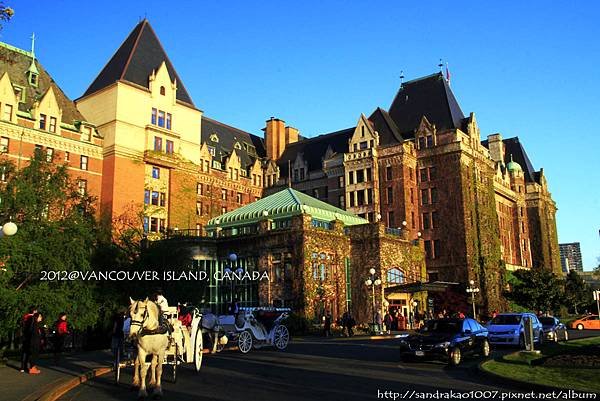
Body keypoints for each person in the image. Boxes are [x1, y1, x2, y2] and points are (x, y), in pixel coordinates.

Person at [20, 306, 37, 372]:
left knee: (24, 351)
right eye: (36, 310)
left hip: (24, 335)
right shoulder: (32, 318)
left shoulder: (25, 316)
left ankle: (22, 367)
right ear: (34, 311)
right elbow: (31, 328)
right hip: (29, 336)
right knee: (29, 352)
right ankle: (29, 367)